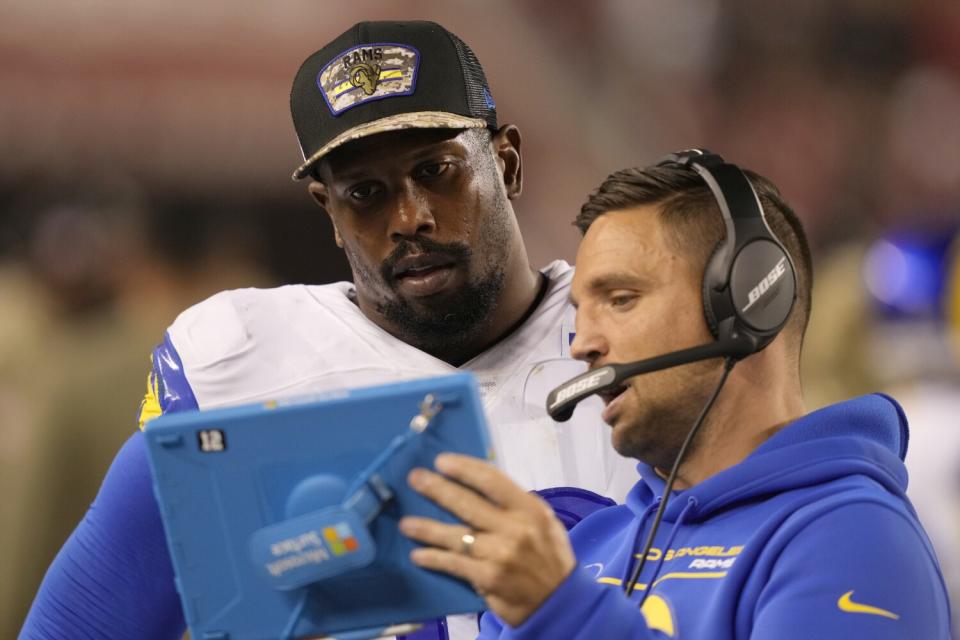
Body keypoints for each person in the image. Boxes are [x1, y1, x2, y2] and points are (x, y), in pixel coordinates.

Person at [18, 20, 637, 640]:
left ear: (505, 163)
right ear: (330, 212)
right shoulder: (237, 363)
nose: (410, 218)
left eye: (437, 171)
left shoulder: (643, 340)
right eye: (366, 192)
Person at [398, 155, 953, 638]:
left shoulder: (853, 539)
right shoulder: (585, 549)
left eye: (620, 299)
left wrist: (565, 616)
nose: (583, 345)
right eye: (579, 313)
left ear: (749, 303)